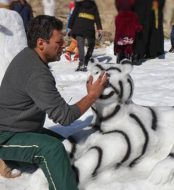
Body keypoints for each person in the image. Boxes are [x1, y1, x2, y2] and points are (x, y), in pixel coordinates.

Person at [0, 15, 108, 190]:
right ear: (41, 43)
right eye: (59, 42)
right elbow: (64, 116)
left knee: (68, 145)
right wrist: (92, 96)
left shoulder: (29, 56)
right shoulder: (36, 73)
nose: (64, 45)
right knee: (53, 149)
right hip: (5, 136)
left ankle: (11, 159)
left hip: (22, 129)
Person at [68, 0, 103, 72]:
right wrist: (99, 28)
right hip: (89, 28)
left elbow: (73, 15)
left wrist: (69, 27)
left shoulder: (79, 4)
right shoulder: (93, 4)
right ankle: (86, 60)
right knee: (91, 44)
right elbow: (97, 17)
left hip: (79, 27)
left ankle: (82, 63)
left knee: (80, 45)